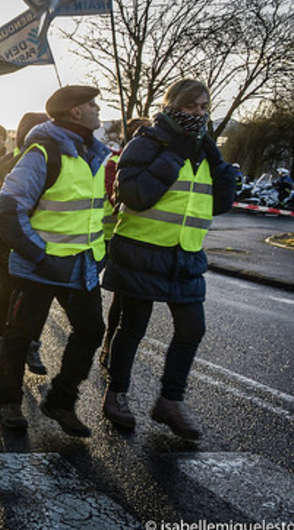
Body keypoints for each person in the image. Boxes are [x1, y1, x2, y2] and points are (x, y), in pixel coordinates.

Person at [101, 79, 237, 440]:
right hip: (141, 250)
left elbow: (219, 204)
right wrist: (173, 156)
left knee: (193, 328)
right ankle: (116, 393)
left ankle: (170, 401)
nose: (199, 114)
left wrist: (222, 167)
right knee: (133, 326)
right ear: (171, 105)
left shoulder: (203, 148)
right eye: (191, 106)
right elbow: (133, 194)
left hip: (186, 254)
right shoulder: (146, 143)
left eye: (204, 107)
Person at [0, 85, 111, 436]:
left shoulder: (94, 155)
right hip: (40, 268)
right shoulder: (42, 153)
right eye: (92, 104)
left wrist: (101, 250)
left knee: (92, 330)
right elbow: (8, 212)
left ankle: (61, 401)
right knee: (20, 335)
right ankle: (9, 401)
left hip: (82, 266)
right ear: (75, 111)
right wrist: (41, 255)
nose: (97, 109)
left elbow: (97, 211)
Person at [0, 112, 50, 368]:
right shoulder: (7, 164)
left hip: (42, 240)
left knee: (41, 297)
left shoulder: (52, 163)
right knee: (7, 292)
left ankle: (31, 345)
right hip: (8, 239)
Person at [98, 117, 151, 368]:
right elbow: (115, 197)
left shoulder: (154, 164)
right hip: (106, 237)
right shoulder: (114, 162)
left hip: (135, 240)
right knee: (86, 288)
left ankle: (110, 345)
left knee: (122, 298)